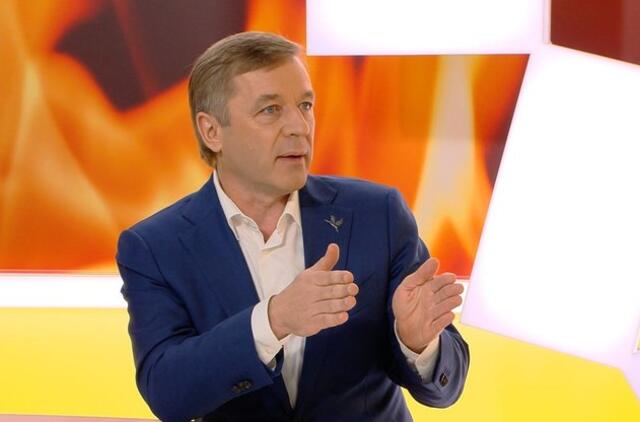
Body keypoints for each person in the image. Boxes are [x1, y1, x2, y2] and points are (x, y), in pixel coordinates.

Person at [116, 31, 469, 422]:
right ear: (212, 131)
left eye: (305, 105)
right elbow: (167, 392)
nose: (299, 127)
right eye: (271, 110)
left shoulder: (377, 214)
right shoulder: (155, 247)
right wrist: (274, 320)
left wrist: (418, 343)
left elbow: (446, 385)